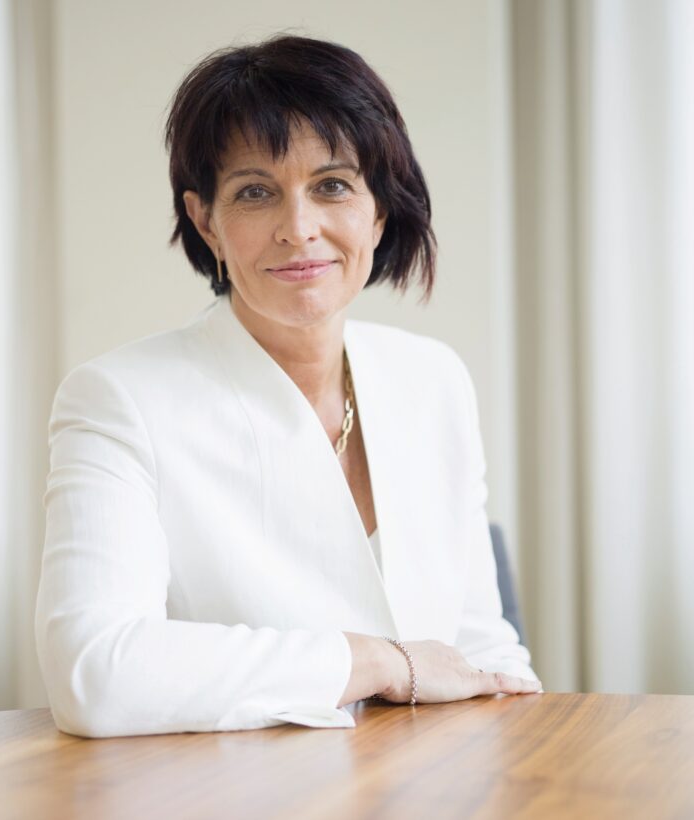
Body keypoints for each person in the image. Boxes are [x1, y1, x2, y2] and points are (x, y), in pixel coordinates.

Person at [35, 34, 541, 739]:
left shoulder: (433, 379)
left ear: (379, 209)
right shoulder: (119, 400)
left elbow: (482, 649)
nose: (299, 229)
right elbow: (95, 672)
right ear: (207, 221)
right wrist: (380, 661)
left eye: (332, 185)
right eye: (255, 193)